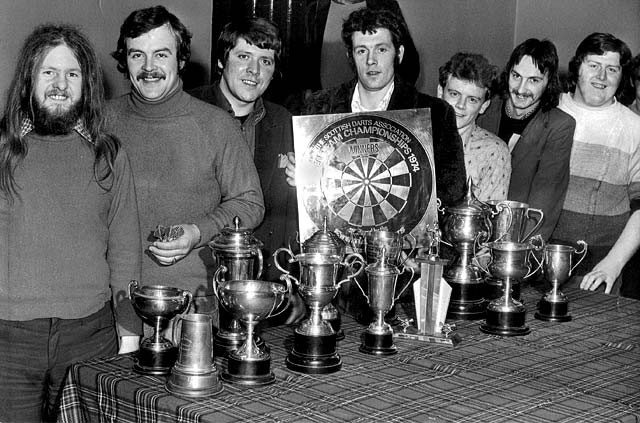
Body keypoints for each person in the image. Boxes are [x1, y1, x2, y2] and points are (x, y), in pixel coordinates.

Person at [0, 24, 141, 421]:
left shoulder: (109, 155)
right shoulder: (2, 152)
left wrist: (129, 338)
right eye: (49, 72)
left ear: (86, 85)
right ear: (29, 79)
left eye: (72, 74)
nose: (60, 85)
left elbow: (126, 251)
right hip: (8, 343)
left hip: (90, 339)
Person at [107, 6, 264, 327]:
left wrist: (199, 232)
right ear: (125, 60)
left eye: (161, 55)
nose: (149, 67)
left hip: (193, 305)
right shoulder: (101, 121)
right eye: (137, 56)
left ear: (180, 60)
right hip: (110, 303)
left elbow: (250, 204)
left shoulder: (217, 125)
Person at [189, 17, 304, 322]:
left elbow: (293, 218)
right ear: (219, 61)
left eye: (265, 61)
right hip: (195, 286)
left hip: (263, 291)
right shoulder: (187, 110)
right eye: (243, 57)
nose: (254, 71)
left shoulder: (288, 125)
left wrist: (291, 287)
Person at [301, 7, 467, 207]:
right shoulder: (319, 107)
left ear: (399, 53)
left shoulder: (436, 114)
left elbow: (452, 193)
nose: (371, 60)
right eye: (362, 51)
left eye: (381, 49)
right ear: (350, 56)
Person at [552, 33, 640, 298]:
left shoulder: (634, 127)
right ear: (577, 67)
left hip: (602, 271)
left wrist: (613, 264)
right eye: (594, 65)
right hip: (540, 263)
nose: (602, 77)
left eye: (611, 69)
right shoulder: (549, 110)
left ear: (621, 77)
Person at [477, 38, 575, 241]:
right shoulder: (484, 108)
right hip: (472, 231)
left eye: (534, 80)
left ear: (548, 83)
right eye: (516, 76)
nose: (521, 89)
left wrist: (516, 254)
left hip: (517, 239)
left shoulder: (559, 126)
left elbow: (544, 203)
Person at [437, 52, 510, 201]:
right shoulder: (417, 136)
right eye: (454, 94)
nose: (460, 105)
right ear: (440, 92)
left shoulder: (494, 152)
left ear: (484, 106)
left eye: (472, 100)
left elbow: (489, 217)